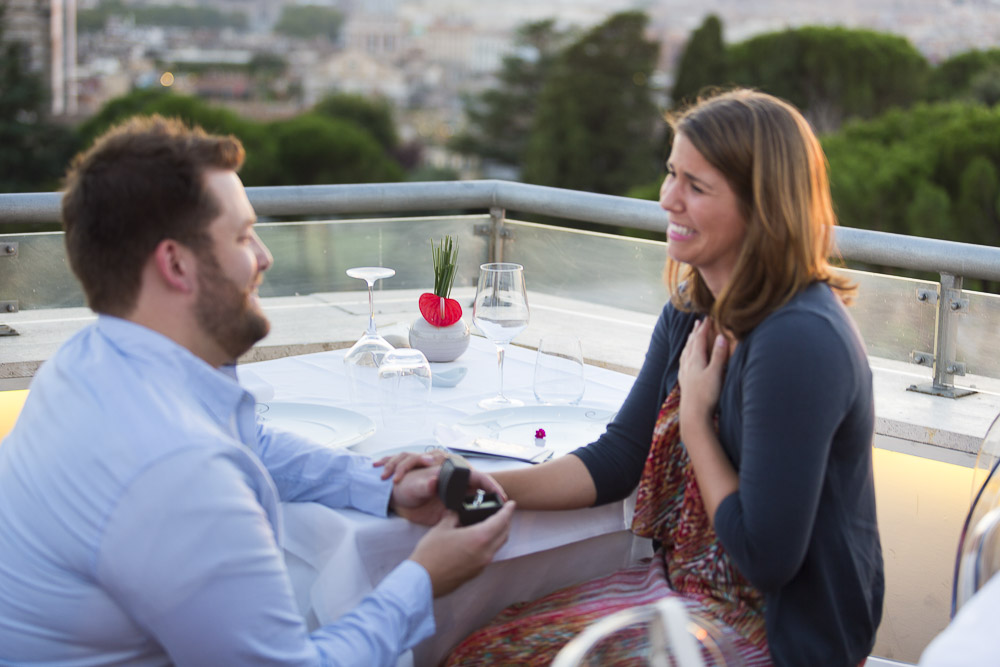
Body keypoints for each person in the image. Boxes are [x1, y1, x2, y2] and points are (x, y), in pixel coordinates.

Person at [381, 89, 884, 666]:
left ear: (764, 206)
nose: (668, 199)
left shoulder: (799, 339)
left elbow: (766, 558)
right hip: (687, 592)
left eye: (697, 187)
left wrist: (695, 421)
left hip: (780, 634)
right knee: (475, 647)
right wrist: (480, 481)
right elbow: (620, 457)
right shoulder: (693, 307)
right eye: (672, 174)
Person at [0, 115, 515, 666]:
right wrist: (424, 578)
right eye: (244, 235)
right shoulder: (177, 472)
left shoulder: (88, 362)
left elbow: (247, 441)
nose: (265, 257)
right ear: (175, 263)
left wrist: (379, 486)